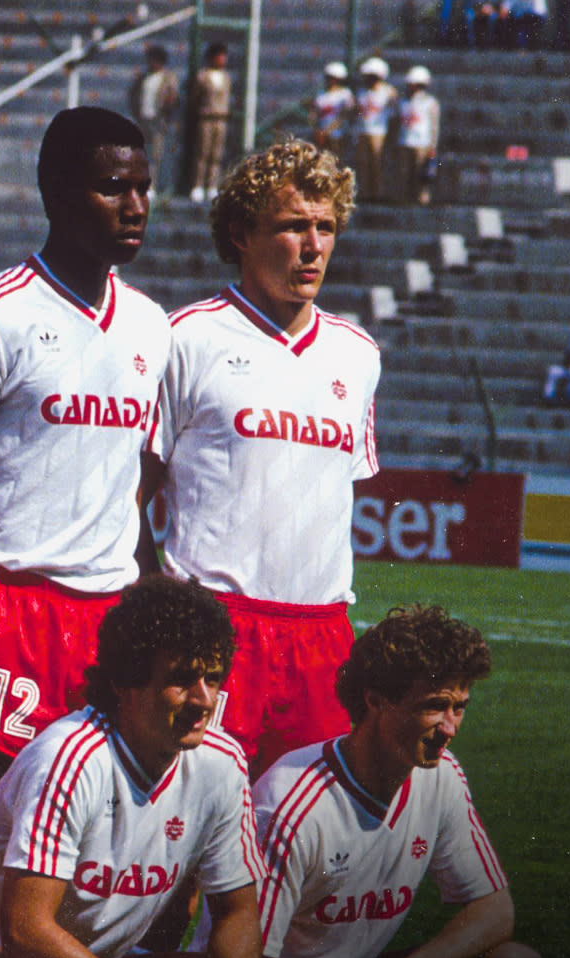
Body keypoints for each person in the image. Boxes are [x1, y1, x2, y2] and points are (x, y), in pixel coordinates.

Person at [0, 107, 170, 810]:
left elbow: (131, 492)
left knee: (88, 829)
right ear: (58, 195)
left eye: (143, 188)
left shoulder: (152, 327)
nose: (136, 206)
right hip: (5, 606)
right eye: (114, 188)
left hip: (105, 612)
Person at [0, 576, 264, 958]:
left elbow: (238, 911)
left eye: (213, 676)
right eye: (183, 678)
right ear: (126, 680)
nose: (204, 700)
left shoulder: (221, 762)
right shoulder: (71, 757)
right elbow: (25, 931)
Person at [146, 138, 379, 780]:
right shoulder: (187, 337)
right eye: (292, 226)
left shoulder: (358, 355)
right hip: (215, 628)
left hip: (322, 635)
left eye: (326, 227)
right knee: (190, 840)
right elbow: (132, 491)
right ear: (242, 233)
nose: (314, 246)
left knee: (308, 839)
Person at [252, 606, 546, 958]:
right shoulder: (294, 805)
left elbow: (495, 909)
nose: (450, 728)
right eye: (433, 706)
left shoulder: (441, 777)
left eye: (460, 707)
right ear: (376, 700)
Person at [129, 44, 181, 180]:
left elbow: (174, 98)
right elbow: (133, 96)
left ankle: (153, 183)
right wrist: (137, 113)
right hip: (144, 119)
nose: (151, 63)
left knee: (156, 154)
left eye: (154, 60)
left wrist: (168, 108)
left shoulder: (168, 78)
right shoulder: (143, 78)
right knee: (142, 153)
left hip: (159, 120)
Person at [190, 42, 232, 203]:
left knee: (216, 154)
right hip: (206, 118)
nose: (223, 59)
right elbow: (195, 98)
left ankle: (212, 184)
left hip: (221, 118)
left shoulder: (226, 77)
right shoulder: (203, 76)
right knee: (203, 152)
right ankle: (198, 185)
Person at [353, 58, 396, 204]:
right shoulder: (362, 92)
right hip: (363, 131)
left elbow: (393, 114)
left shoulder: (388, 92)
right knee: (363, 164)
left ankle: (379, 193)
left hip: (379, 132)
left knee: (378, 164)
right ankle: (365, 193)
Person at [396, 67, 440, 206]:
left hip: (422, 143)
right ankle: (406, 198)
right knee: (405, 173)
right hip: (405, 141)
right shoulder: (403, 101)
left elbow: (434, 126)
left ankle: (421, 198)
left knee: (420, 173)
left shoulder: (430, 102)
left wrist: (433, 145)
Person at [311, 62, 355, 158]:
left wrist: (328, 130)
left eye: (333, 78)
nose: (330, 80)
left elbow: (344, 116)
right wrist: (317, 129)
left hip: (338, 135)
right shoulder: (321, 94)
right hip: (322, 135)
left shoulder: (345, 94)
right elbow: (314, 114)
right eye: (328, 77)